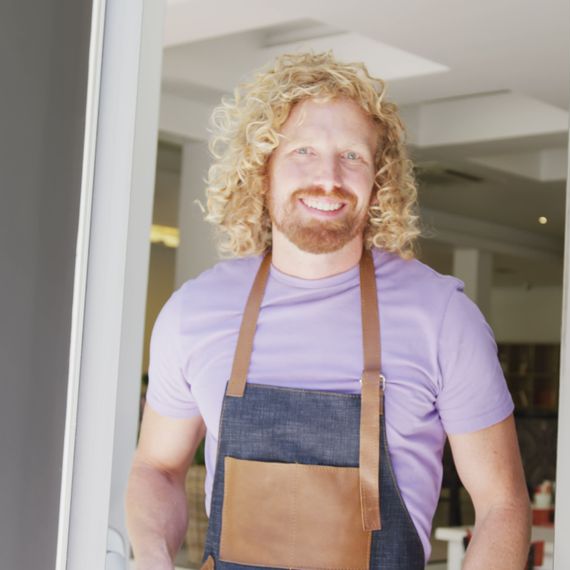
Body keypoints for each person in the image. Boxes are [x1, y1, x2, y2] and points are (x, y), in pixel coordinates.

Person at [126, 52, 531, 570]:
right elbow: (157, 468)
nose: (329, 178)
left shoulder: (443, 318)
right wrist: (152, 557)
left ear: (379, 179)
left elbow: (503, 505)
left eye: (353, 157)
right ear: (261, 168)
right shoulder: (193, 313)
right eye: (303, 151)